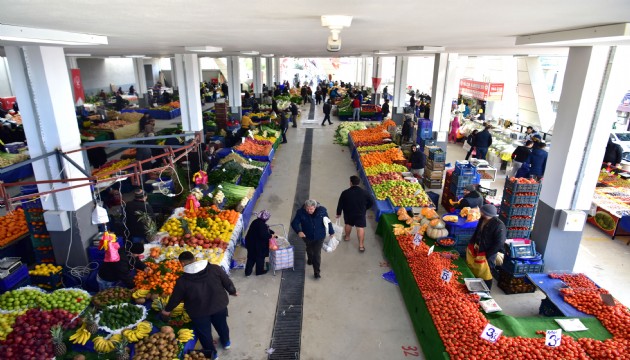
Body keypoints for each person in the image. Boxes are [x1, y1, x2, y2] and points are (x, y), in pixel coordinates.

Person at [162, 251, 237, 359]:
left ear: (182, 264)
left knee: (204, 333)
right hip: (218, 305)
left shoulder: (182, 281)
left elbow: (175, 298)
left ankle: (213, 355)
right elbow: (227, 281)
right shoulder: (214, 268)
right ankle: (226, 343)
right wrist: (232, 291)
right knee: (222, 325)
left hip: (199, 312)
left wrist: (167, 310)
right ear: (194, 259)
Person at [291, 199, 335, 279]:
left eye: (311, 209)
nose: (308, 211)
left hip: (320, 236)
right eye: (307, 209)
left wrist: (331, 231)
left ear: (315, 207)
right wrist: (298, 231)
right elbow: (294, 223)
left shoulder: (322, 211)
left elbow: (328, 221)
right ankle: (310, 259)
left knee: (317, 254)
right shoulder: (300, 212)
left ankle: (316, 272)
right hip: (307, 236)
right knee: (309, 248)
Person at [467, 204, 506, 290]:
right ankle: (475, 287)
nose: (479, 212)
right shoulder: (482, 219)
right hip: (479, 248)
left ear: (485, 213)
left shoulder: (499, 225)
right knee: (477, 268)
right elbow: (477, 232)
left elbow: (499, 243)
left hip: (488, 253)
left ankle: (486, 291)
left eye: (481, 211)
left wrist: (487, 254)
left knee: (487, 273)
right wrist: (471, 243)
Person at [336, 176, 374, 252]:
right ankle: (361, 246)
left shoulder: (345, 192)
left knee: (348, 224)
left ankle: (347, 237)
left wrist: (338, 213)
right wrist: (365, 208)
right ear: (358, 183)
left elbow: (340, 203)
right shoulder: (365, 192)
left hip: (348, 212)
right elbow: (371, 202)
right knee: (360, 227)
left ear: (350, 182)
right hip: (360, 213)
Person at [244, 210, 274, 276]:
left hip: (250, 243)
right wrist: (271, 235)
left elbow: (264, 230)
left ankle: (247, 272)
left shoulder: (255, 222)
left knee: (251, 258)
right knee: (260, 258)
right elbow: (264, 235)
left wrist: (271, 231)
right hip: (258, 246)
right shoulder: (262, 225)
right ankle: (259, 271)